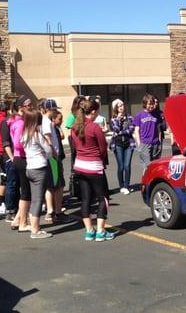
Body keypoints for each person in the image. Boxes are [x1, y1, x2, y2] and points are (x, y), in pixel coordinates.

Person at [71, 99, 115, 242]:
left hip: (80, 165)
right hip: (94, 167)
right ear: (94, 112)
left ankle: (89, 230)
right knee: (103, 198)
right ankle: (101, 231)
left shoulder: (74, 127)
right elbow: (102, 148)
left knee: (86, 198)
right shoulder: (95, 127)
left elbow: (75, 146)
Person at [21, 108, 53, 239]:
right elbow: (49, 150)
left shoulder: (25, 134)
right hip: (40, 168)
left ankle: (34, 225)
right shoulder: (36, 134)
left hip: (30, 168)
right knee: (38, 200)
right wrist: (45, 151)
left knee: (34, 199)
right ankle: (35, 230)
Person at [7, 95, 32, 230]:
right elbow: (17, 144)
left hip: (20, 159)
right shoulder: (20, 123)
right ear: (21, 107)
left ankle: (17, 220)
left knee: (26, 191)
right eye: (28, 105)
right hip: (22, 158)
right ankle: (23, 223)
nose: (31, 107)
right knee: (26, 193)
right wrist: (31, 146)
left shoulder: (18, 121)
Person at [39, 98, 61, 223]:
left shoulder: (46, 120)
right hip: (51, 157)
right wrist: (54, 155)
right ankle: (51, 211)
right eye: (54, 109)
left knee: (51, 185)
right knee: (53, 185)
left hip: (50, 156)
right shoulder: (46, 121)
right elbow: (48, 140)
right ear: (48, 109)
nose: (55, 111)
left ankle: (50, 210)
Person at [110, 99, 136, 195]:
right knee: (121, 166)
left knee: (127, 166)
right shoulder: (113, 119)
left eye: (122, 105)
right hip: (118, 144)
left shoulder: (129, 117)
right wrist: (119, 120)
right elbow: (116, 129)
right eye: (119, 106)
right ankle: (121, 186)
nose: (121, 107)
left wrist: (121, 132)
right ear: (116, 108)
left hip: (129, 143)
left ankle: (126, 186)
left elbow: (131, 129)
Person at [133, 94, 162, 174]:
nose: (151, 106)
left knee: (155, 166)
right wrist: (139, 144)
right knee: (147, 167)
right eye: (149, 104)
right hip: (145, 143)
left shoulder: (156, 115)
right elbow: (136, 130)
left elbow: (159, 129)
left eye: (152, 104)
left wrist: (159, 141)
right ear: (145, 104)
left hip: (155, 143)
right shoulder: (139, 115)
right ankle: (145, 184)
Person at [51, 110, 68, 221]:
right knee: (57, 183)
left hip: (58, 157)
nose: (61, 121)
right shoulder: (50, 129)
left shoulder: (56, 128)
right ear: (53, 119)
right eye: (59, 119)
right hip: (54, 159)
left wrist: (59, 126)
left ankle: (55, 208)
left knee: (58, 183)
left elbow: (62, 136)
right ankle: (55, 210)